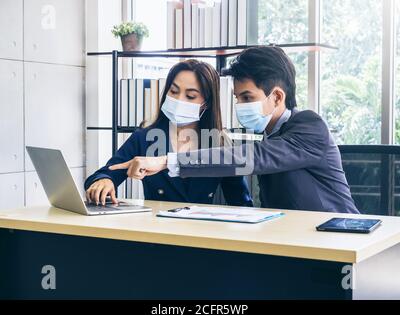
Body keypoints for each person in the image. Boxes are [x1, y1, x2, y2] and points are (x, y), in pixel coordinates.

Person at [119, 46, 359, 214]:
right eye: (237, 98)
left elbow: (251, 157)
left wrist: (165, 162)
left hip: (339, 240)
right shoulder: (270, 133)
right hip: (296, 243)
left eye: (247, 97)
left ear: (276, 97)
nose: (240, 107)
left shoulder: (309, 126)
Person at [84, 59, 253, 207]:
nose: (179, 100)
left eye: (191, 96)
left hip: (203, 234)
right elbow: (107, 172)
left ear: (206, 103)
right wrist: (104, 180)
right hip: (157, 233)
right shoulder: (144, 138)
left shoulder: (220, 143)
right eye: (173, 91)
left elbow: (241, 202)